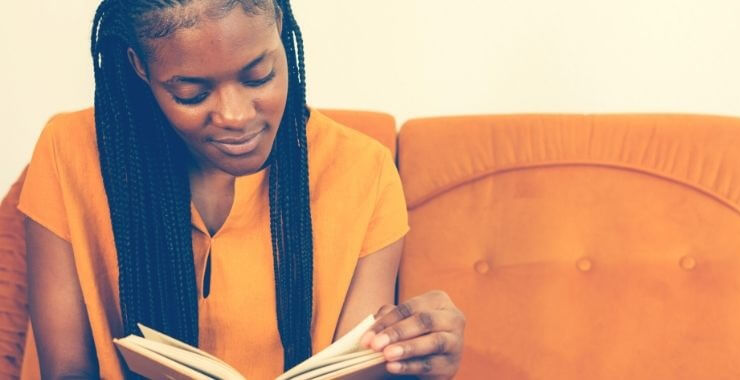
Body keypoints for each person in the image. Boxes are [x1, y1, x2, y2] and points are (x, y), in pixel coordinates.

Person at [19, 0, 465, 378]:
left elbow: (352, 368)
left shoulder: (364, 172)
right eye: (191, 93)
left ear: (279, 26)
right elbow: (65, 370)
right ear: (140, 66)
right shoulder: (69, 152)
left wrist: (411, 358)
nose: (235, 116)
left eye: (258, 76)